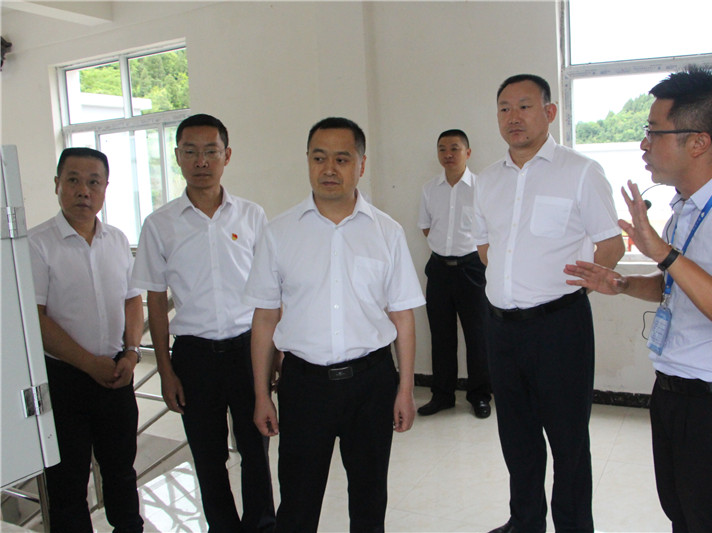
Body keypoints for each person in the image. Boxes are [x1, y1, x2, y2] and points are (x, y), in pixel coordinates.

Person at [564, 66, 712, 532]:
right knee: (683, 518)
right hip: (674, 394)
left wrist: (665, 254)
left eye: (654, 132)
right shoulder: (684, 208)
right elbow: (678, 287)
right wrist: (624, 284)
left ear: (698, 142)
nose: (643, 144)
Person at [245, 117, 425, 532]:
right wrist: (261, 395)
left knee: (369, 501)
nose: (329, 169)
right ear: (307, 161)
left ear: (361, 164)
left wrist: (405, 390)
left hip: (372, 384)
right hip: (304, 385)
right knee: (298, 503)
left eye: (342, 159)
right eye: (319, 158)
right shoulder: (279, 232)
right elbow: (265, 317)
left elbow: (402, 316)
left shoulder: (386, 232)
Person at [475, 74, 625, 533]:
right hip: (501, 328)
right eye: (504, 108)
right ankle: (525, 522)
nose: (513, 117)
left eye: (524, 106)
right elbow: (485, 247)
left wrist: (578, 287)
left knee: (568, 441)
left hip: (559, 327)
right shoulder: (486, 180)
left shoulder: (580, 171)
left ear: (550, 112)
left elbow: (611, 243)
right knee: (516, 436)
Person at [132, 114, 275, 532]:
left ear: (226, 156)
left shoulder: (251, 216)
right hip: (194, 356)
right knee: (208, 455)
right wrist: (165, 370)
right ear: (177, 157)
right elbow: (155, 301)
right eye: (190, 152)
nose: (201, 161)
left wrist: (276, 352)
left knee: (256, 448)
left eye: (210, 151)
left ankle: (262, 525)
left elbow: (271, 292)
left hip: (248, 349)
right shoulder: (159, 224)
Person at [29, 147, 144, 532]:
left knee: (121, 473)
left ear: (105, 188)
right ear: (57, 184)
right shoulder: (37, 244)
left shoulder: (117, 239)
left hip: (116, 374)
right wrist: (88, 363)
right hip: (65, 381)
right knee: (68, 483)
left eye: (93, 182)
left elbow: (132, 300)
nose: (84, 190)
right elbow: (36, 319)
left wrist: (132, 353)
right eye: (73, 180)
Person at [417, 129, 491, 419]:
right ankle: (442, 395)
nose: (448, 154)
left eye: (454, 148)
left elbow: (491, 229)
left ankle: (480, 395)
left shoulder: (482, 188)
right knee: (441, 335)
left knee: (478, 336)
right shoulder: (429, 189)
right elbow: (426, 227)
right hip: (439, 269)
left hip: (472, 268)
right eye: (442, 149)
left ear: (467, 153)